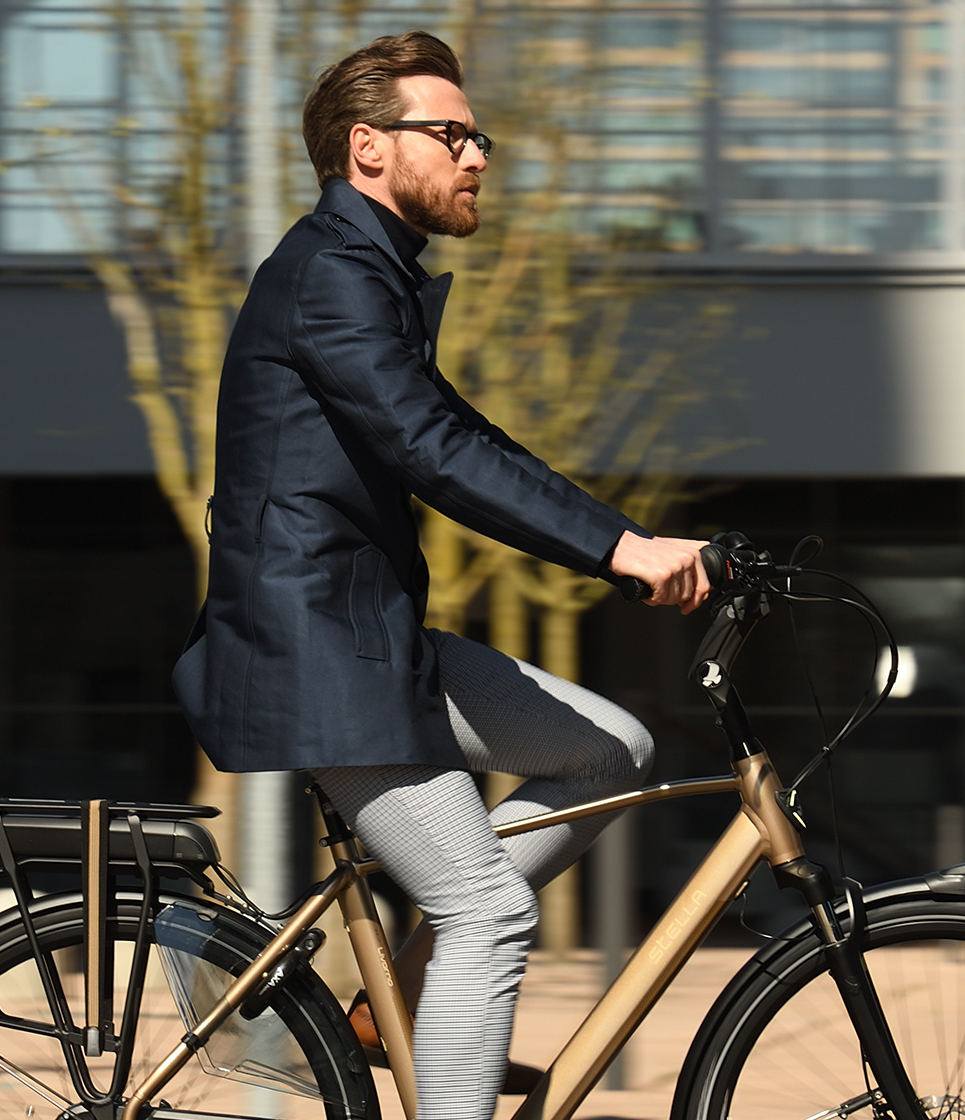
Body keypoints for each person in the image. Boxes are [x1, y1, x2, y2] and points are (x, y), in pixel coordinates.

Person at [170, 30, 711, 1120]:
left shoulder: (369, 274)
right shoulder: (329, 273)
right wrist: (621, 552)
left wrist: (625, 541)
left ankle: (401, 998)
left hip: (372, 641)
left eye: (480, 137)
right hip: (317, 654)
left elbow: (463, 435)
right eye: (451, 134)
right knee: (491, 913)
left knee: (614, 750)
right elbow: (434, 451)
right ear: (367, 148)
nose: (477, 156)